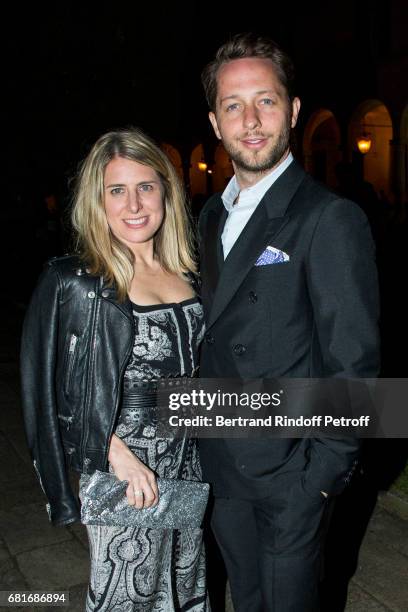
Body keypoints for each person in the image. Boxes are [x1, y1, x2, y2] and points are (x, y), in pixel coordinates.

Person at [198, 34, 380, 611]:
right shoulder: (208, 215)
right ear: (215, 121)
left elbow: (354, 368)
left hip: (290, 476)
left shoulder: (329, 218)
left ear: (293, 111)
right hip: (222, 469)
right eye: (233, 105)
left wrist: (318, 480)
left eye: (266, 101)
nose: (250, 121)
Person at [20, 128, 209, 611]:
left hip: (191, 459)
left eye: (145, 186)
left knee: (183, 591)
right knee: (127, 594)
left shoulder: (190, 271)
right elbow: (49, 389)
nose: (134, 205)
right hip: (126, 466)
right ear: (97, 201)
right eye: (116, 190)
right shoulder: (77, 281)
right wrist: (112, 453)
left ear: (165, 190)